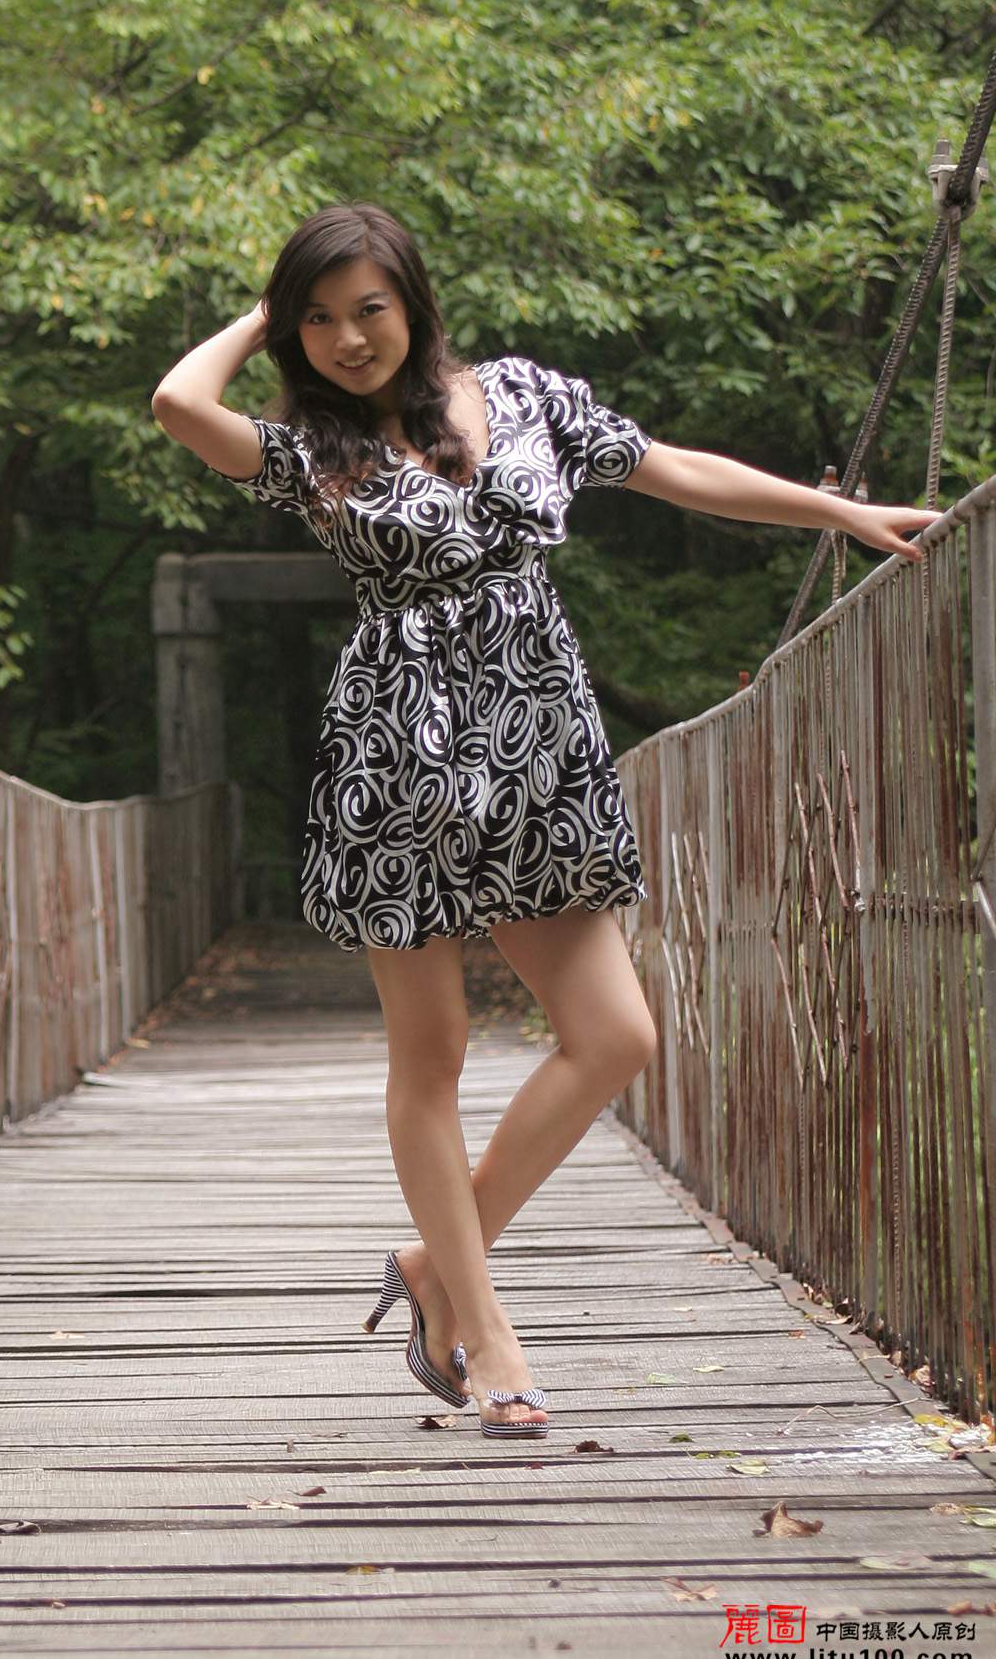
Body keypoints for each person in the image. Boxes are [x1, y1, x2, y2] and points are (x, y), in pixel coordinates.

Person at [151, 201, 938, 1440]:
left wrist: (840, 513)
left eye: (369, 307)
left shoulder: (522, 394)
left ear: (414, 300)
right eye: (319, 318)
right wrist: (261, 314)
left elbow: (674, 468)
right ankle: (484, 1324)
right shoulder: (311, 450)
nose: (348, 338)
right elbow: (177, 403)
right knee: (434, 1052)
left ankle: (432, 1266)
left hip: (539, 743)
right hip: (398, 754)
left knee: (616, 1033)